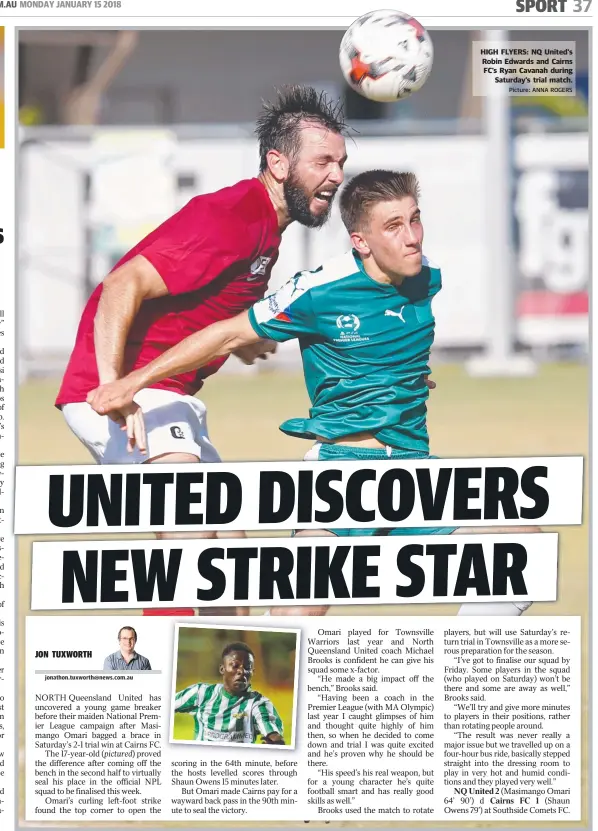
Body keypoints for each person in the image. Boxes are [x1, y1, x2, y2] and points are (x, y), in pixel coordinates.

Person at [86, 169, 540, 619]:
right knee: (284, 638)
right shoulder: (318, 290)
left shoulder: (424, 281)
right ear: (360, 242)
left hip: (413, 472)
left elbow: (392, 348)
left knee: (525, 553)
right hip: (345, 478)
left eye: (415, 219)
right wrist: (132, 381)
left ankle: (458, 679)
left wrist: (407, 380)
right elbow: (225, 335)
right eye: (393, 226)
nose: (412, 237)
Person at [56, 85, 348, 617]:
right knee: (189, 535)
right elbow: (122, 285)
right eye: (323, 161)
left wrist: (243, 341)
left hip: (163, 396)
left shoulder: (266, 226)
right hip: (127, 394)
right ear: (278, 164)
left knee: (225, 580)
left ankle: (196, 688)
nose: (336, 175)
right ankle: (150, 682)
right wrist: (114, 387)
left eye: (341, 161)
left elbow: (207, 308)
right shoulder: (234, 214)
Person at [174, 642, 284, 744]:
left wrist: (274, 741)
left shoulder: (258, 703)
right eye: (235, 665)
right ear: (222, 669)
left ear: (252, 672)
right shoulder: (201, 693)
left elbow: (272, 734)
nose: (242, 671)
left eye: (248, 667)